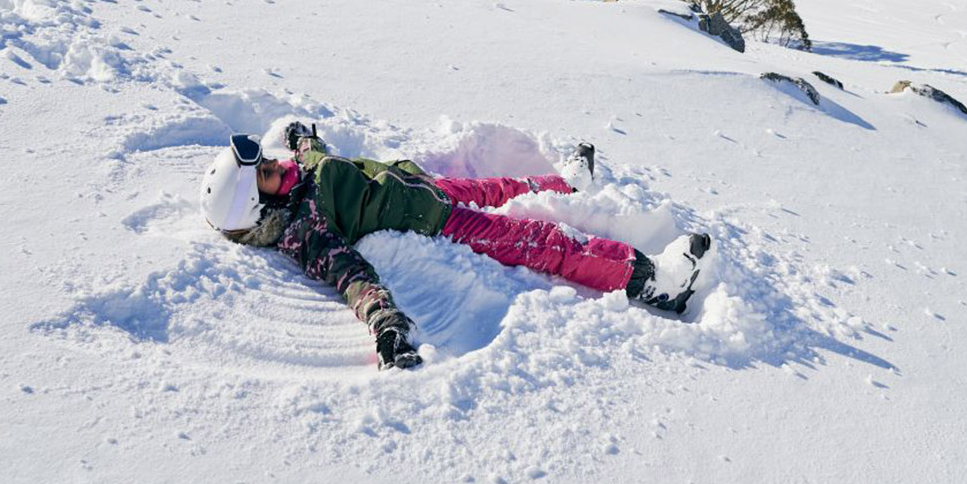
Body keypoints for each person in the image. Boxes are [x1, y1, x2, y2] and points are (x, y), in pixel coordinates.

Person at [200, 126, 711, 371]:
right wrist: (386, 326)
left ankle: (567, 184)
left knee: (503, 188)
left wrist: (300, 140)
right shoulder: (306, 229)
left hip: (417, 186)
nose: (273, 164)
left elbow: (315, 159)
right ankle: (657, 284)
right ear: (257, 204)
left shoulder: (291, 178)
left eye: (266, 160)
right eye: (263, 172)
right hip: (435, 222)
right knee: (542, 242)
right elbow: (352, 276)